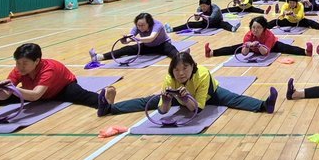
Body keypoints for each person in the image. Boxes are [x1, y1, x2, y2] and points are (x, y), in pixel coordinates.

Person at [98, 51, 277, 116]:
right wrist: (166, 102)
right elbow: (163, 111)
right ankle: (109, 109)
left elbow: (197, 109)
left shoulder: (203, 74)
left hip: (208, 95)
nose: (181, 73)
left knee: (233, 99)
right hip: (179, 97)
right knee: (146, 102)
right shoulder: (169, 79)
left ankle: (264, 105)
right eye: (177, 70)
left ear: (193, 66)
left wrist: (187, 100)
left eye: (185, 68)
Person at [0, 43, 95, 113]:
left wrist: (12, 89)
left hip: (62, 88)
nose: (20, 67)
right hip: (34, 90)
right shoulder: (18, 70)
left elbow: (35, 96)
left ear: (37, 61)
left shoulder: (49, 68)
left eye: (25, 63)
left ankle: (105, 102)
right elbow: (3, 97)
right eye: (17, 63)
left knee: (81, 95)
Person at [90, 12, 178, 64]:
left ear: (149, 23)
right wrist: (126, 40)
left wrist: (136, 39)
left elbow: (151, 38)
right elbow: (130, 38)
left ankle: (181, 59)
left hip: (162, 45)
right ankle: (100, 57)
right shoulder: (137, 26)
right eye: (138, 25)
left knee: (172, 51)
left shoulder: (157, 25)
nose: (140, 27)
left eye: (142, 25)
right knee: (126, 49)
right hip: (147, 46)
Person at [205, 16, 312, 58]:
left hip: (270, 46)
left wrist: (259, 46)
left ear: (264, 28)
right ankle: (211, 53)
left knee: (287, 48)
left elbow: (265, 53)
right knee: (232, 48)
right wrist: (247, 46)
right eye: (253, 27)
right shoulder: (248, 35)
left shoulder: (269, 35)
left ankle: (306, 52)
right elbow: (244, 53)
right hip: (253, 46)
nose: (255, 30)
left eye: (258, 28)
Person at [172, 0, 237, 32]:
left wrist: (202, 15)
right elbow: (197, 20)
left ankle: (232, 28)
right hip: (205, 24)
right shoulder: (199, 9)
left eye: (204, 6)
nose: (202, 8)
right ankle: (172, 29)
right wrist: (197, 16)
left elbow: (211, 18)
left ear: (209, 5)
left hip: (216, 22)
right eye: (201, 6)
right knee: (190, 24)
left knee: (225, 24)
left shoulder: (215, 9)